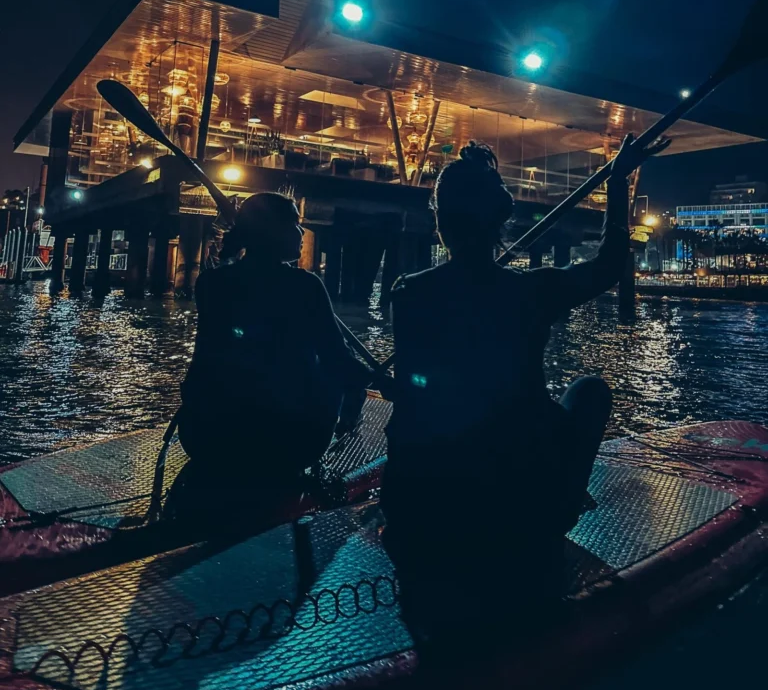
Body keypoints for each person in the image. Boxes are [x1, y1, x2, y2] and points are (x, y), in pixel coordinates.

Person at [381, 134, 669, 651]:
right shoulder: (531, 290)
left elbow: (412, 394)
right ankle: (558, 510)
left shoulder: (409, 291)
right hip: (515, 509)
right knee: (589, 391)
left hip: (418, 511)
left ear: (441, 223)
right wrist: (617, 181)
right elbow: (608, 266)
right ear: (502, 219)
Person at [177, 192, 369, 484]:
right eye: (294, 223)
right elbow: (338, 359)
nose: (302, 232)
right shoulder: (305, 286)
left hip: (202, 438)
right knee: (336, 371)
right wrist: (381, 382)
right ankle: (346, 426)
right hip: (286, 445)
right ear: (275, 232)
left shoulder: (211, 282)